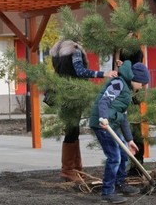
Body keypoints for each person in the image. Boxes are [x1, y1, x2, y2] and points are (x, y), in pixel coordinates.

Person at [50, 40, 118, 182]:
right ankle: (69, 170)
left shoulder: (57, 52)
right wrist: (104, 73)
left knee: (72, 130)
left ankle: (75, 169)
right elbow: (80, 72)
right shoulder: (75, 51)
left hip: (62, 93)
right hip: (75, 94)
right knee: (72, 130)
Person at [89, 60, 150, 203]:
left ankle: (120, 183)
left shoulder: (126, 91)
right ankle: (107, 192)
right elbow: (104, 101)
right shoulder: (118, 84)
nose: (141, 87)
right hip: (102, 124)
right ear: (135, 79)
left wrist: (129, 140)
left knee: (124, 154)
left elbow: (123, 117)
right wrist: (103, 118)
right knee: (114, 157)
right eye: (142, 84)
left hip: (112, 123)